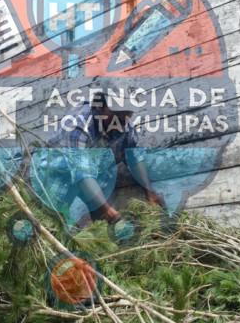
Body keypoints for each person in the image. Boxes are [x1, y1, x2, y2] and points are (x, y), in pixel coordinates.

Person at [32, 85, 165, 226]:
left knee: (100, 221)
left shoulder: (123, 122)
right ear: (99, 108)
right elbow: (82, 175)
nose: (123, 118)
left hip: (91, 172)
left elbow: (134, 156)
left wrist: (149, 191)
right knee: (50, 221)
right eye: (117, 113)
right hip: (56, 174)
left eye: (127, 113)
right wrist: (109, 212)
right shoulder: (77, 126)